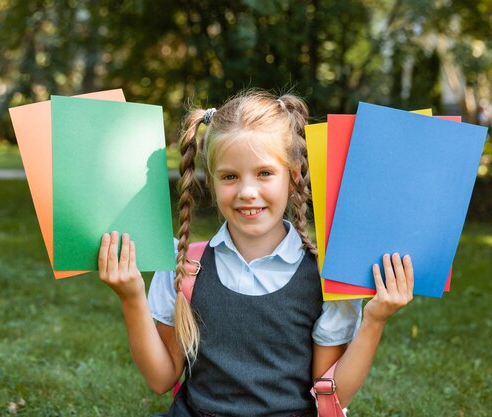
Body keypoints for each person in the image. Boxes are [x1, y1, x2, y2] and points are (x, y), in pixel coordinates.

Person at [97, 90, 414, 417]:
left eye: (264, 173)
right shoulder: (185, 267)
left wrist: (375, 319)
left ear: (292, 175)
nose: (248, 192)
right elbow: (161, 380)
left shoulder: (325, 277)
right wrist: (131, 296)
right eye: (230, 176)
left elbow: (332, 395)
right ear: (213, 181)